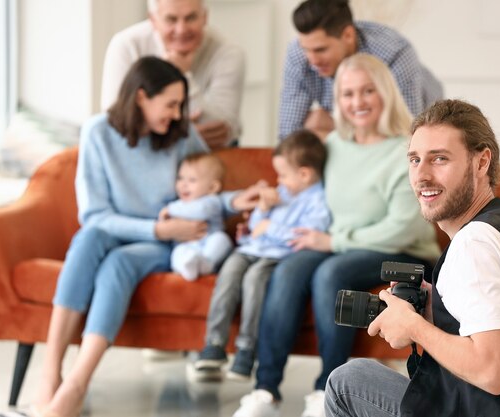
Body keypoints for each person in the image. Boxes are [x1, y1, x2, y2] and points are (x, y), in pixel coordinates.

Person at [325, 99, 500, 417]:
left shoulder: (475, 244)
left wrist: (414, 326)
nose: (421, 176)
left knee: (346, 382)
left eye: (439, 159)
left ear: (481, 162)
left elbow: (493, 372)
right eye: (414, 160)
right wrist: (439, 310)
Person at [32, 56, 255, 417]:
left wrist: (235, 202)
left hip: (164, 244)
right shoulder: (98, 132)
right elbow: (94, 216)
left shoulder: (181, 134)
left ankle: (76, 383)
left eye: (181, 104)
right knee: (87, 239)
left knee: (117, 264)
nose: (177, 112)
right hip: (127, 230)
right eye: (170, 103)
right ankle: (50, 371)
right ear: (140, 98)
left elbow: (206, 188)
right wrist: (156, 226)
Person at [233, 53, 440, 417]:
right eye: (347, 94)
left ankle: (324, 388)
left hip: (401, 252)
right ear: (337, 101)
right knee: (290, 270)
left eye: (367, 91)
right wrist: (263, 217)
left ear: (385, 93)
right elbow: (301, 194)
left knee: (331, 272)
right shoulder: (331, 147)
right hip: (336, 246)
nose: (357, 102)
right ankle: (265, 390)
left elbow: (404, 226)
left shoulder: (405, 149)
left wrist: (333, 241)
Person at [193, 129, 332, 381]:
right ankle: (214, 343)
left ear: (304, 174)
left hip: (277, 257)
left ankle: (247, 348)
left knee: (254, 280)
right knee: (229, 274)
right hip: (250, 249)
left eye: (283, 175)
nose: (278, 180)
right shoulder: (283, 191)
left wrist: (270, 227)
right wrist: (262, 211)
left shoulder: (318, 202)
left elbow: (304, 237)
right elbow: (256, 228)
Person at [278, 0, 443, 141]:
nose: (312, 60)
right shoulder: (299, 54)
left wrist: (330, 124)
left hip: (420, 120)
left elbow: (406, 134)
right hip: (353, 121)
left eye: (321, 50)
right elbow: (288, 135)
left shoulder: (395, 53)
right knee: (313, 124)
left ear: (348, 35)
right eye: (306, 49)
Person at [101, 0, 245, 149]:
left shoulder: (228, 54)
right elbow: (116, 120)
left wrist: (183, 75)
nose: (181, 30)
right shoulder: (126, 45)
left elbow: (221, 131)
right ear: (153, 20)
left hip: (208, 156)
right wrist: (183, 135)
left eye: (191, 18)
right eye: (171, 19)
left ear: (205, 17)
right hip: (141, 149)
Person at [162, 153, 233, 281]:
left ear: (212, 187)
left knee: (222, 239)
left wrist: (171, 210)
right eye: (180, 178)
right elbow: (165, 223)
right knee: (178, 252)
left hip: (208, 245)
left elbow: (200, 211)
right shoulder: (178, 203)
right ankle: (187, 267)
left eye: (192, 180)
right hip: (187, 246)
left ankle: (206, 264)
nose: (183, 184)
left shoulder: (212, 201)